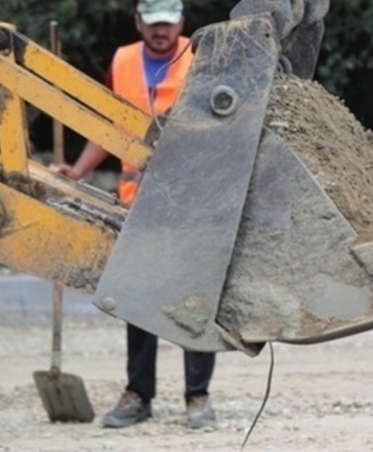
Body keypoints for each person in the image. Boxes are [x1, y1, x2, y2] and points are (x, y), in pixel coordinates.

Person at [51, 0, 217, 429]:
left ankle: (198, 397)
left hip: (191, 201)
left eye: (168, 24)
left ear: (181, 22)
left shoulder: (202, 59)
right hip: (136, 203)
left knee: (194, 300)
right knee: (138, 299)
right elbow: (110, 126)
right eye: (154, 24)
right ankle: (138, 395)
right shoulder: (123, 60)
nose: (161, 32)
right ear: (139, 22)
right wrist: (78, 170)